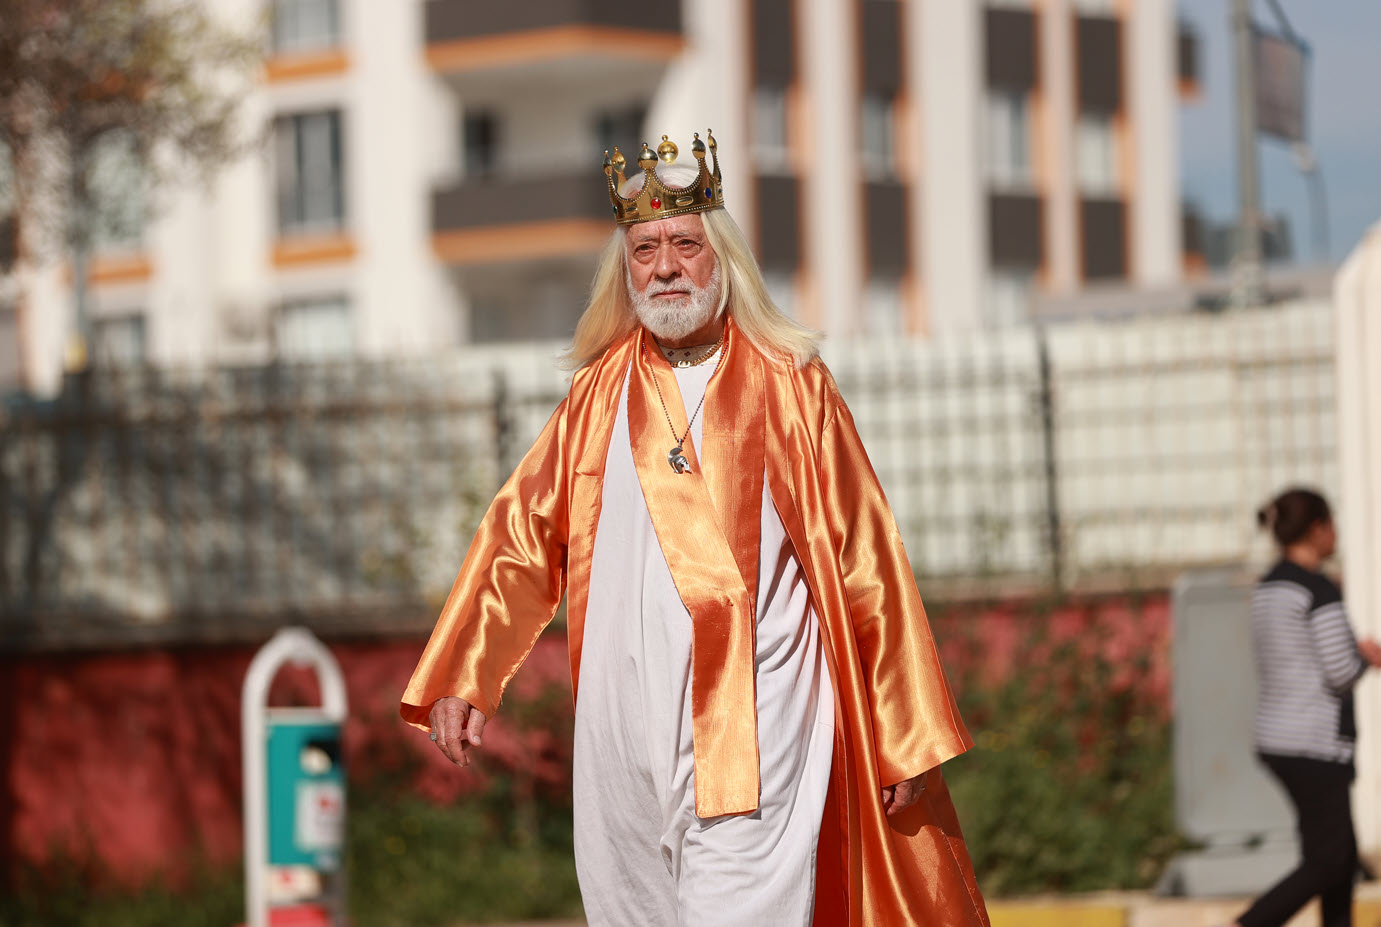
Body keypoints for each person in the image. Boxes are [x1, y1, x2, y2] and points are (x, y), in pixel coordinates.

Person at [400, 131, 988, 926]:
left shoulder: (792, 386)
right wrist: (466, 670)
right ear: (625, 269)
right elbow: (520, 537)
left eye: (684, 244)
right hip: (619, 738)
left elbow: (867, 558)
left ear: (722, 258)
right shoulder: (596, 395)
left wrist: (900, 724)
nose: (665, 267)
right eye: (644, 250)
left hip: (753, 727)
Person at [1232, 488, 1381, 927]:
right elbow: (1339, 672)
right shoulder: (1318, 590)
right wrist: (1365, 658)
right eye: (1332, 524)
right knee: (1329, 860)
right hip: (1315, 741)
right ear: (1317, 529)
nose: (1337, 534)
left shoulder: (1270, 587)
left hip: (1278, 737)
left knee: (1339, 857)